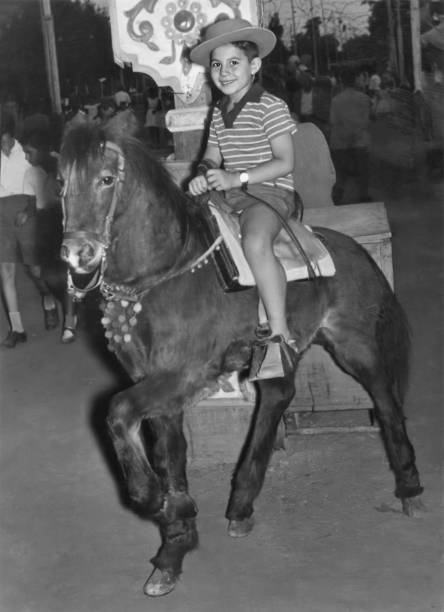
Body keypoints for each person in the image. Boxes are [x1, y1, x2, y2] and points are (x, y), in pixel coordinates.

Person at [189, 17, 300, 379]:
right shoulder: (219, 112)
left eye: (234, 63)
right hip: (231, 194)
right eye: (217, 65)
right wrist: (202, 175)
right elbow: (211, 155)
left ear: (254, 65)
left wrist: (237, 177)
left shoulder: (270, 106)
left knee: (254, 242)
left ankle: (280, 330)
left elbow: (285, 161)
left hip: (268, 193)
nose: (224, 72)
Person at [0, 117, 59, 348]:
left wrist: (28, 211)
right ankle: (17, 329)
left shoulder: (26, 153)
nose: (4, 146)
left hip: (26, 214)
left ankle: (49, 301)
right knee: (6, 271)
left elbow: (40, 188)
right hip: (2, 218)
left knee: (35, 269)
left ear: (12, 136)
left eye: (6, 140)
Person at [21, 129, 79, 344]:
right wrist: (27, 214)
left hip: (63, 222)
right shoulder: (31, 172)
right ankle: (50, 305)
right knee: (41, 273)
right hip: (44, 224)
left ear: (44, 149)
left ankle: (70, 322)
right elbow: (32, 203)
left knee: (67, 275)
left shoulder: (63, 164)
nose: (27, 157)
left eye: (29, 152)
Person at [329, 68, 373, 205]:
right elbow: (366, 121)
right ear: (355, 80)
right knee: (363, 173)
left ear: (341, 82)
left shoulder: (336, 100)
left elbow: (333, 121)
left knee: (341, 175)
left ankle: (337, 200)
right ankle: (363, 197)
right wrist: (356, 133)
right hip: (360, 141)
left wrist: (346, 134)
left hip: (341, 143)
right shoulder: (364, 98)